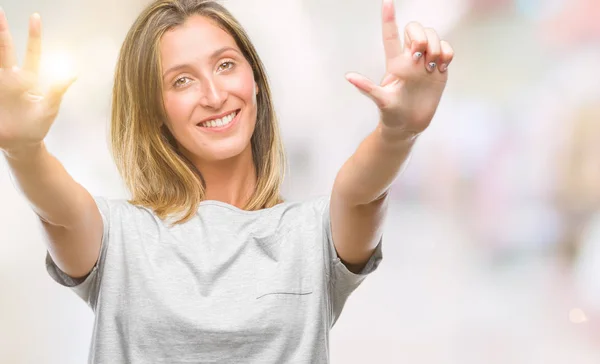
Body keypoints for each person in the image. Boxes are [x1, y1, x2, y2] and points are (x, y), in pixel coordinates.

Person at [0, 0, 453, 362]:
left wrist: (399, 131)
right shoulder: (116, 237)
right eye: (181, 81)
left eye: (224, 65)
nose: (215, 96)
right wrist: (22, 148)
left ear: (254, 78)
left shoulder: (314, 235)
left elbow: (361, 191)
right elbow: (56, 208)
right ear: (155, 111)